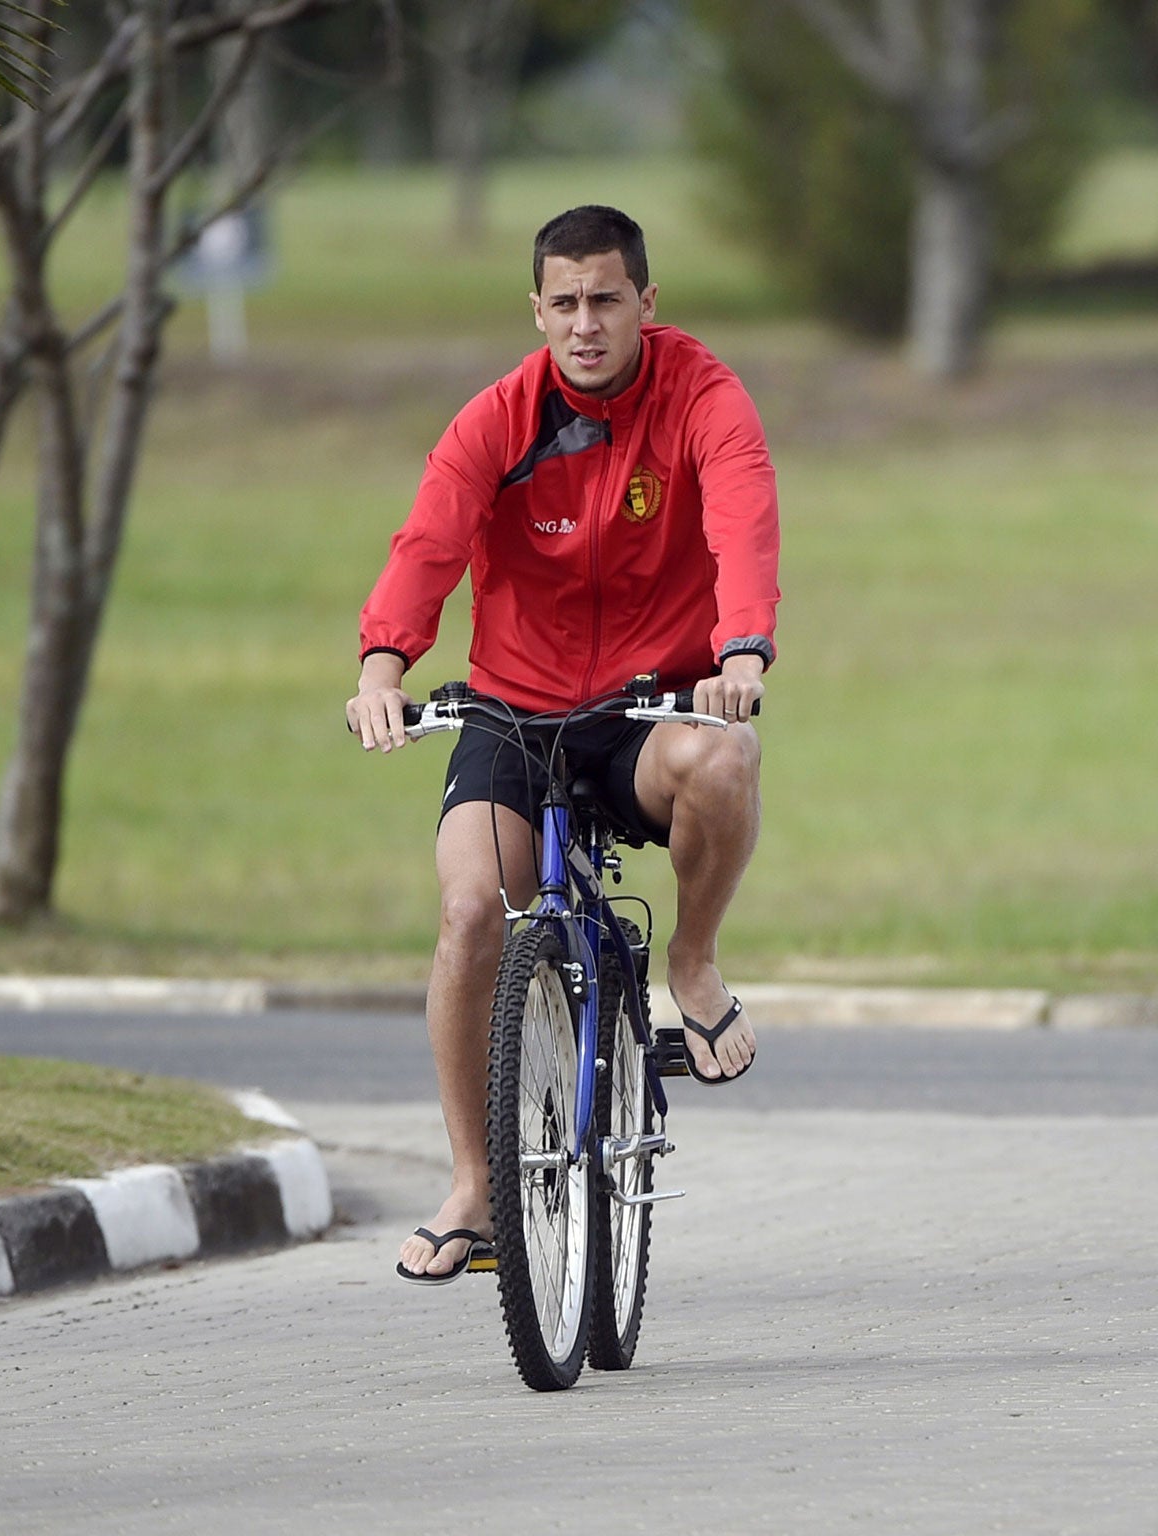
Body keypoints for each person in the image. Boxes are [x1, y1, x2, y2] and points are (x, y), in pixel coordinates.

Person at [344, 205, 781, 1284]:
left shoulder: (700, 396)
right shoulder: (497, 418)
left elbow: (741, 518)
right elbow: (428, 541)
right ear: (535, 309)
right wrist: (382, 665)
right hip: (513, 708)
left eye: (606, 300)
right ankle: (473, 1187)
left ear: (645, 301)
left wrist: (740, 654)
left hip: (644, 708)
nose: (585, 324)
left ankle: (689, 959)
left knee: (723, 763)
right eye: (564, 303)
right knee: (464, 916)